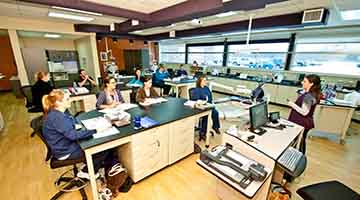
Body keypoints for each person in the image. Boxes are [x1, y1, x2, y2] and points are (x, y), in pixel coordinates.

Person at [42, 89, 113, 179]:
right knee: (102, 148)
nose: (70, 100)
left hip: (63, 145)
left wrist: (76, 125)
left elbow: (71, 120)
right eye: (67, 99)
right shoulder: (57, 117)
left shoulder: (59, 111)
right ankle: (86, 172)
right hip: (65, 151)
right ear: (58, 103)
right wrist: (96, 130)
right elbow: (73, 136)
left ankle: (91, 165)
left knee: (94, 142)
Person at [288, 74, 321, 154]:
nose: (302, 82)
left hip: (302, 122)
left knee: (299, 142)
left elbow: (304, 112)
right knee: (300, 141)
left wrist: (292, 104)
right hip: (304, 122)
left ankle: (297, 157)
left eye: (305, 81)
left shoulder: (308, 96)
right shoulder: (311, 94)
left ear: (311, 83)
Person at [191, 75, 220, 140]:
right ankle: (203, 133)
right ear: (200, 82)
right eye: (204, 80)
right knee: (206, 116)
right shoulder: (197, 90)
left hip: (208, 105)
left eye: (205, 80)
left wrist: (210, 103)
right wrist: (202, 102)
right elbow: (195, 100)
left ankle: (215, 127)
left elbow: (210, 97)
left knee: (215, 113)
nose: (205, 82)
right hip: (201, 107)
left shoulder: (206, 88)